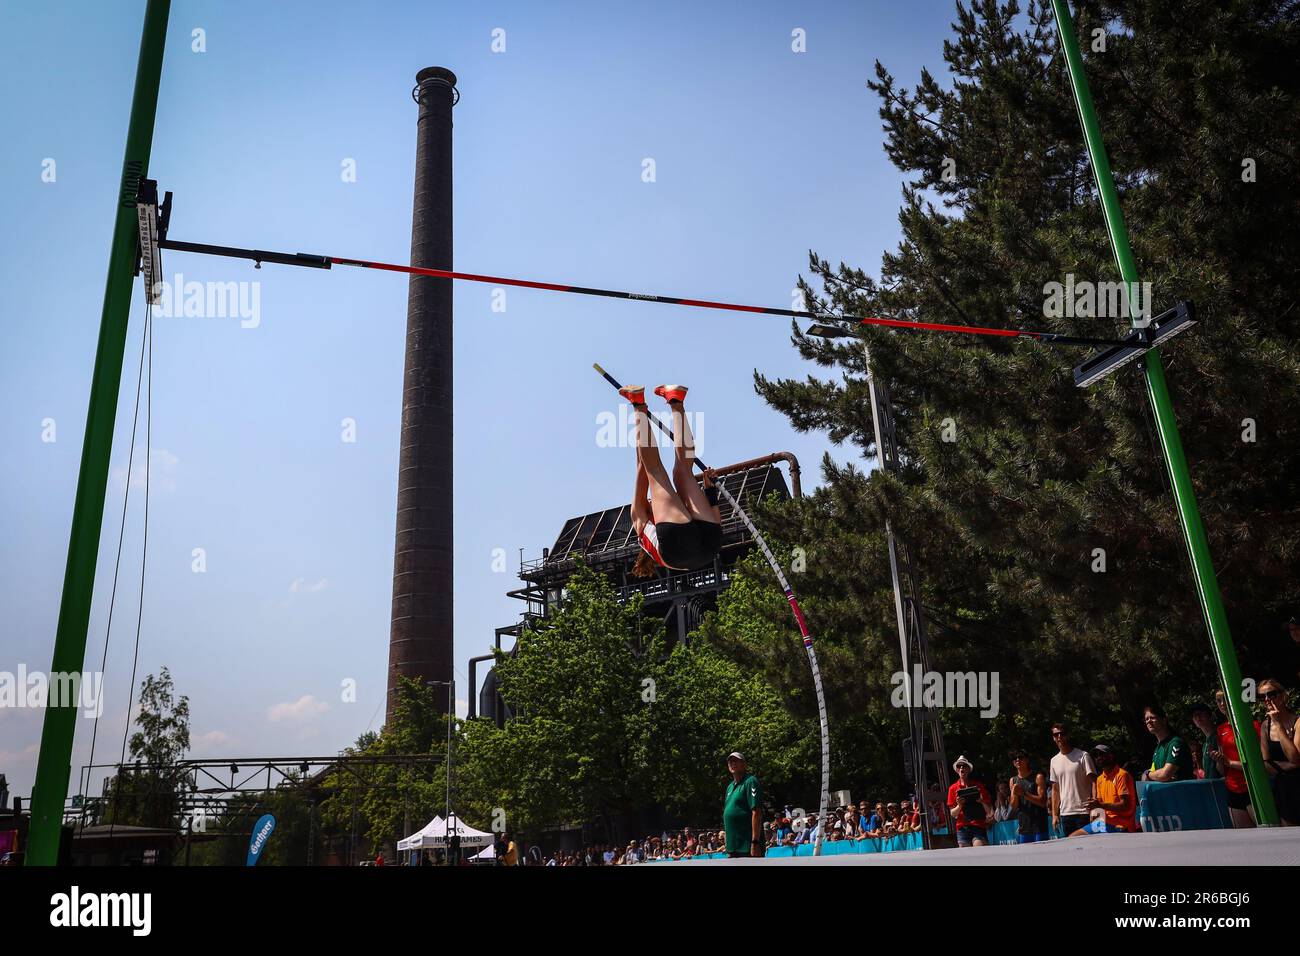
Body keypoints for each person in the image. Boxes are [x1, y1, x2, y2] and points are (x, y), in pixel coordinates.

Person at [619, 384, 723, 576]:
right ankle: (638, 401)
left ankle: (676, 401)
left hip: (710, 547)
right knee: (657, 473)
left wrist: (710, 493)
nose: (651, 500)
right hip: (678, 550)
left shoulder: (649, 527)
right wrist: (639, 411)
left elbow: (716, 521)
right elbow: (644, 467)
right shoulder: (639, 520)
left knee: (683, 471)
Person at [1258, 678, 1300, 825]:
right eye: (1262, 697)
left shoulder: (1297, 721)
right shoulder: (1265, 726)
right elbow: (1266, 763)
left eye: (1271, 694)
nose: (1267, 699)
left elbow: (1294, 758)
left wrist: (1278, 724)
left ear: (1282, 696)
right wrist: (1289, 766)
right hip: (1283, 790)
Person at [1071, 744, 1137, 836]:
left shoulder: (1121, 775)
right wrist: (1094, 811)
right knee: (1074, 837)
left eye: (1101, 754)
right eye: (1096, 755)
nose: (1098, 757)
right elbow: (1100, 806)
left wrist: (1100, 805)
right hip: (1105, 823)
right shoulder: (1100, 779)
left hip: (1122, 825)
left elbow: (1125, 805)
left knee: (1077, 837)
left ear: (1111, 756)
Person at [1049, 722, 1097, 836]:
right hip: (1065, 814)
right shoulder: (1054, 761)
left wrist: (1095, 807)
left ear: (1067, 735)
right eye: (1056, 735)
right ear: (1053, 738)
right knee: (1070, 851)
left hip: (1084, 812)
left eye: (1062, 733)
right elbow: (1055, 789)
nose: (1059, 737)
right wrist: (1055, 814)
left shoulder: (1083, 755)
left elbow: (1095, 782)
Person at [723, 752, 763, 857]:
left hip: (747, 846)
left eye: (736, 761)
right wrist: (728, 846)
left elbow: (757, 812)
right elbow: (728, 815)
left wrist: (755, 842)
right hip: (733, 848)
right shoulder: (730, 787)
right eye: (730, 762)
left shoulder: (750, 781)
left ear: (744, 764)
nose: (733, 764)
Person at [946, 756, 993, 847]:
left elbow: (990, 811)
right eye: (959, 766)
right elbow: (953, 813)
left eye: (964, 766)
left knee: (978, 847)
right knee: (965, 856)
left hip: (978, 825)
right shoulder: (953, 788)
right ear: (956, 770)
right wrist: (959, 805)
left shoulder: (978, 786)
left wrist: (981, 801)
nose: (961, 768)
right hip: (962, 828)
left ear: (969, 769)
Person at [1142, 703, 1194, 782]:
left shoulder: (1175, 743)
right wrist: (1149, 774)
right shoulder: (1157, 749)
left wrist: (1147, 774)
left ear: (1164, 720)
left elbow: (1165, 774)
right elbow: (1149, 776)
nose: (1149, 721)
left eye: (1152, 718)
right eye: (1146, 719)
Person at [1008, 750, 1049, 844]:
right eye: (1015, 758)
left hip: (1039, 826)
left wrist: (1024, 794)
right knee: (1026, 857)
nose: (1018, 760)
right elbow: (1014, 807)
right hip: (1024, 827)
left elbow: (1043, 802)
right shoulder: (1013, 780)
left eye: (1020, 757)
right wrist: (1014, 793)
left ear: (1027, 760)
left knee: (1044, 857)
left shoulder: (1038, 777)